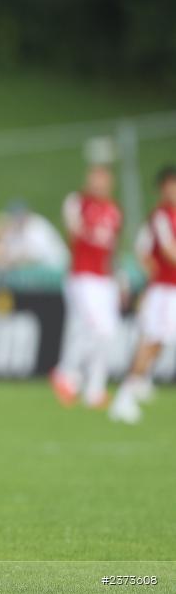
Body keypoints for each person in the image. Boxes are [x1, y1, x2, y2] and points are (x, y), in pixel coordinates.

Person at [50, 165, 122, 408]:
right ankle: (66, 374)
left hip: (104, 279)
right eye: (95, 179)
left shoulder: (113, 211)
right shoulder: (78, 203)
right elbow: (75, 233)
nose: (99, 184)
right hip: (83, 276)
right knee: (95, 328)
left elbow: (112, 249)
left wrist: (118, 278)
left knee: (107, 333)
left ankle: (95, 390)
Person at [109, 165, 176, 424]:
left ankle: (137, 385)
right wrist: (152, 275)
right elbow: (168, 251)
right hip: (163, 290)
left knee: (157, 342)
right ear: (162, 188)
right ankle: (125, 396)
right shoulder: (161, 215)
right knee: (151, 340)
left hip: (170, 289)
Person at [0, 199, 68, 271]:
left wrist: (8, 262)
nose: (17, 219)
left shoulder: (36, 226)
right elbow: (2, 251)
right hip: (39, 272)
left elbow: (33, 256)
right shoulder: (14, 230)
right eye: (14, 216)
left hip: (56, 269)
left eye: (20, 215)